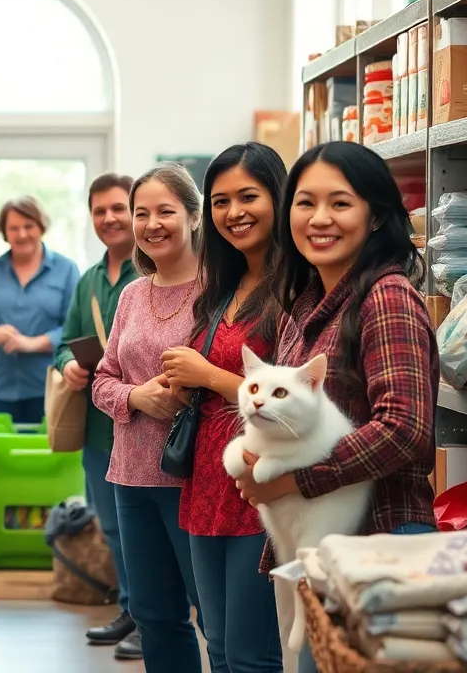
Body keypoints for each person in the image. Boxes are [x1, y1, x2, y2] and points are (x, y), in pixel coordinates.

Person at [228, 141, 437, 673]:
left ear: (376, 215)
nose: (320, 218)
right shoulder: (306, 304)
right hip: (327, 556)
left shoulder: (385, 298)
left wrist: (292, 480)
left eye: (340, 203)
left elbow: (404, 428)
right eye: (305, 203)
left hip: (378, 547)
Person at [160, 143, 287, 673]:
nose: (234, 212)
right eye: (220, 201)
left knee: (251, 655)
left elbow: (293, 405)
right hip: (207, 480)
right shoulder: (223, 287)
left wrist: (207, 375)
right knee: (217, 645)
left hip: (262, 482)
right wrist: (182, 383)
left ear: (278, 197)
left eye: (248, 197)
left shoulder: (297, 289)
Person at [91, 164, 207, 673]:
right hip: (131, 476)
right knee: (154, 615)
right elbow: (102, 380)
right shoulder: (132, 294)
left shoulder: (221, 290)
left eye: (166, 211)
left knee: (214, 618)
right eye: (142, 213)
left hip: (194, 476)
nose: (152, 224)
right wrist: (136, 396)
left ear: (194, 216)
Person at [53, 174, 143, 660]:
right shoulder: (88, 280)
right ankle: (131, 609)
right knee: (111, 528)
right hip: (96, 427)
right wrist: (68, 363)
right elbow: (64, 341)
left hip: (141, 425)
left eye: (118, 208)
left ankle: (153, 619)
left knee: (143, 532)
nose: (109, 218)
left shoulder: (153, 273)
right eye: (99, 211)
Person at [0, 196, 80, 426]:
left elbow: (74, 328)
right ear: (4, 232)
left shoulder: (66, 270)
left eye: (28, 226)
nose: (22, 234)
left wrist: (31, 343)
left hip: (47, 390)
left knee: (44, 451)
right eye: (14, 228)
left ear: (41, 227)